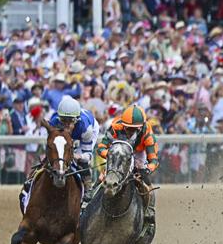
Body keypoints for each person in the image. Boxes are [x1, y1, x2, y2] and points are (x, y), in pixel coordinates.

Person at [96, 105, 159, 233]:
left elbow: (153, 160)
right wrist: (111, 155)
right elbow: (101, 147)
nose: (130, 132)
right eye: (128, 129)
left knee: (148, 187)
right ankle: (88, 200)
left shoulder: (148, 134)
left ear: (141, 127)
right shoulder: (115, 127)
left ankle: (149, 212)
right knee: (102, 178)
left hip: (138, 154)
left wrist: (146, 169)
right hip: (119, 152)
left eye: (134, 129)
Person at [47, 95, 98, 202]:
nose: (66, 125)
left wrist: (76, 155)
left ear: (76, 120)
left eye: (70, 121)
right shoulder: (54, 122)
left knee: (81, 161)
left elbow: (87, 155)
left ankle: (89, 188)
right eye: (63, 120)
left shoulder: (86, 128)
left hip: (89, 131)